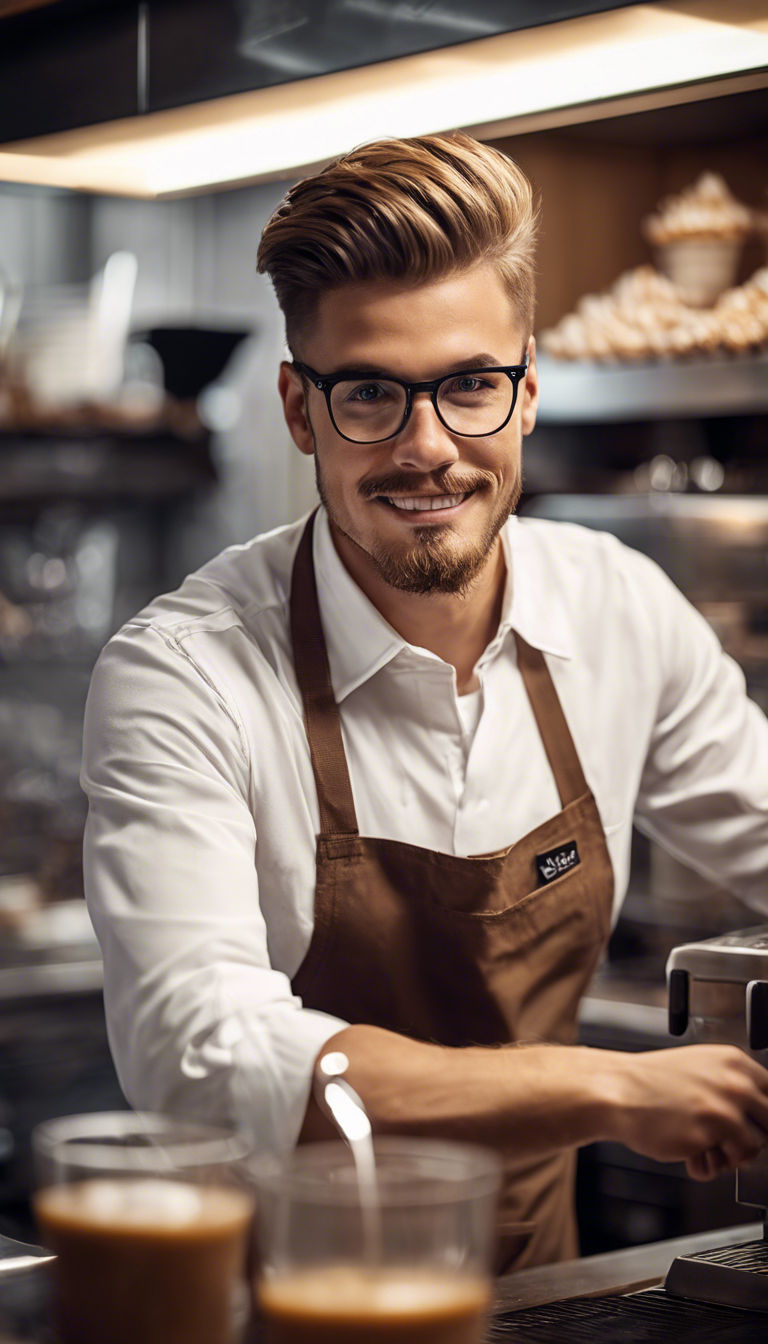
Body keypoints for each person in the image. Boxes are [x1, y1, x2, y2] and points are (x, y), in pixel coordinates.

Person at [81, 132, 768, 1271]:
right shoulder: (183, 675)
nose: (427, 448)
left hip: (540, 1297)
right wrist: (604, 1083)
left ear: (528, 391)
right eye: (370, 396)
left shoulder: (619, 611)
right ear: (301, 411)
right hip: (276, 1307)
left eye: (468, 386)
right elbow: (201, 1055)